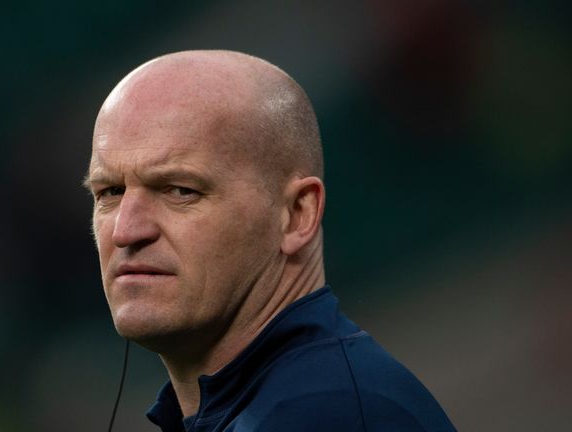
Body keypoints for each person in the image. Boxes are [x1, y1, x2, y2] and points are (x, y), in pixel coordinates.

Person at [84, 50, 456, 432]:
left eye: (181, 190)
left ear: (297, 214)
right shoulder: (273, 404)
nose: (125, 231)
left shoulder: (325, 414)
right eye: (110, 192)